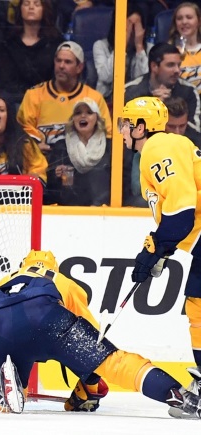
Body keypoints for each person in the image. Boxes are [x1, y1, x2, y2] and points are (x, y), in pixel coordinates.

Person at [0, 249, 201, 418]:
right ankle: (177, 394)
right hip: (49, 317)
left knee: (9, 394)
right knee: (115, 362)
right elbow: (89, 337)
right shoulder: (63, 281)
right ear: (53, 267)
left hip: (4, 327)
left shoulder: (1, 283)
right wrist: (91, 384)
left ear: (22, 265)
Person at [119, 96, 201, 397]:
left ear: (141, 127)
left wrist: (154, 249)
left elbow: (180, 214)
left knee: (199, 302)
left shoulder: (157, 148)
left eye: (127, 123)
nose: (122, 130)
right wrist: (159, 249)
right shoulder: (162, 148)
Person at [16, 41, 112, 158]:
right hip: (42, 162)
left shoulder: (94, 98)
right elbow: (21, 130)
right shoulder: (34, 95)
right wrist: (35, 145)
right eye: (58, 61)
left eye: (67, 62)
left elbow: (107, 135)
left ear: (79, 67)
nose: (61, 66)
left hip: (82, 165)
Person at [0, 0, 63, 106]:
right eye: (26, 4)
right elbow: (7, 82)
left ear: (44, 9)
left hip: (48, 101)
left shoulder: (56, 42)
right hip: (16, 102)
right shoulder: (9, 44)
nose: (31, 7)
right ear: (20, 10)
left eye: (36, 4)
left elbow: (58, 79)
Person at [48, 98, 111, 206]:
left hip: (102, 211)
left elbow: (121, 183)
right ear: (73, 119)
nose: (83, 116)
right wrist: (56, 175)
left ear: (97, 118)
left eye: (89, 112)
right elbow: (50, 187)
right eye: (78, 113)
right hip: (69, 210)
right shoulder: (61, 147)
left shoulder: (110, 147)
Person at [125, 43, 200, 132]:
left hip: (179, 144)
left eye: (178, 65)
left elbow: (195, 132)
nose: (177, 70)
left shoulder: (188, 91)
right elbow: (125, 132)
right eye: (170, 65)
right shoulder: (131, 90)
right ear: (154, 66)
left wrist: (171, 104)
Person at [93, 8, 150, 100]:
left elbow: (146, 81)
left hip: (137, 101)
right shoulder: (100, 46)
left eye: (136, 26)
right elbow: (106, 77)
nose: (131, 30)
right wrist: (122, 45)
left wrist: (139, 46)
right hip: (107, 99)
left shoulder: (149, 49)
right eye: (128, 26)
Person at [168, 2, 201, 95]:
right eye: (179, 18)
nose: (184, 22)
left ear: (199, 21)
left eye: (189, 17)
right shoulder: (169, 52)